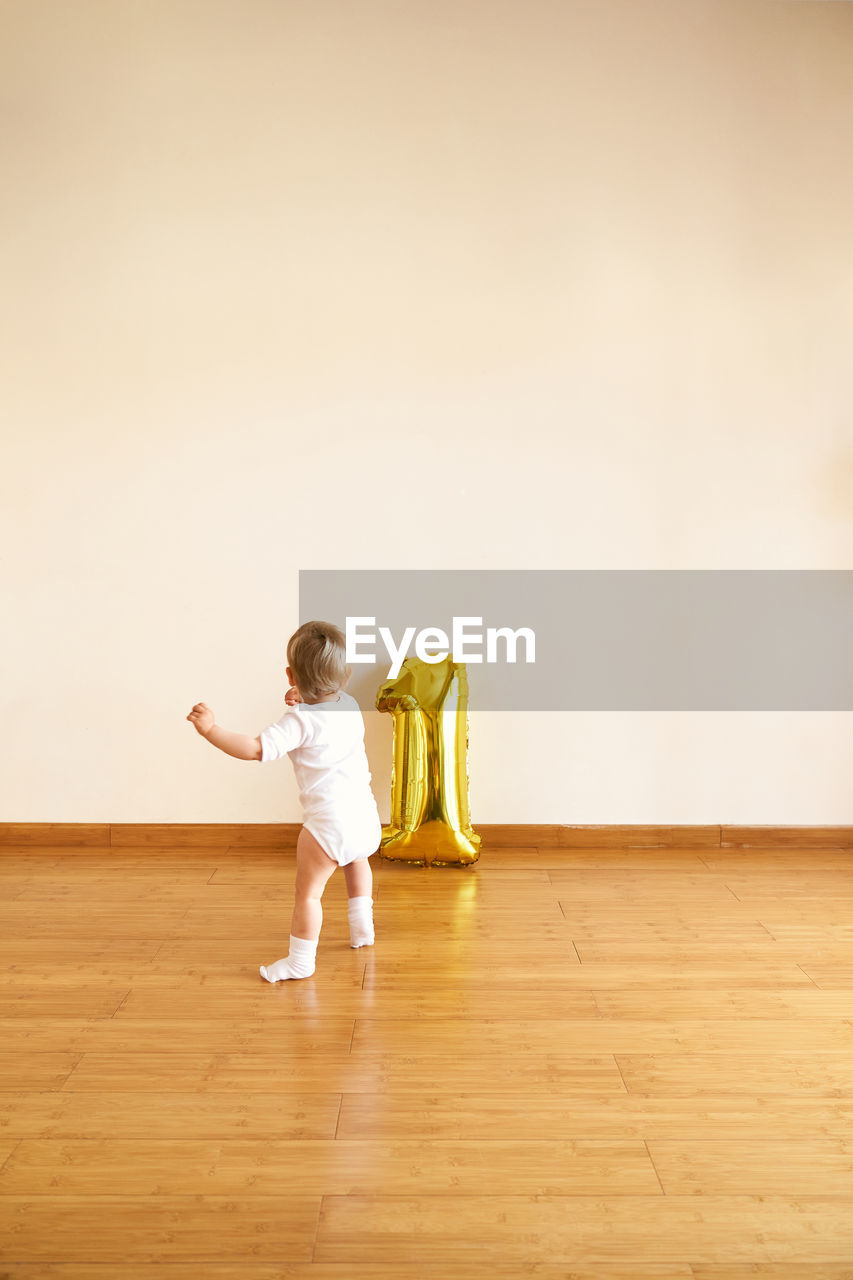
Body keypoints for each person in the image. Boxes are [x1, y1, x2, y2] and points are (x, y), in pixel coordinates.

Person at [186, 620, 381, 980]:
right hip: (365, 816)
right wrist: (304, 697)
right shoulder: (350, 704)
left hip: (327, 824)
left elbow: (255, 749)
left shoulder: (298, 722)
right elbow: (323, 708)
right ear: (345, 676)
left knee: (308, 895)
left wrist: (211, 730)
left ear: (290, 675)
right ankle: (362, 928)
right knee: (357, 861)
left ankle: (301, 962)